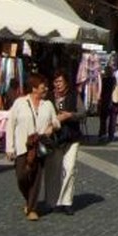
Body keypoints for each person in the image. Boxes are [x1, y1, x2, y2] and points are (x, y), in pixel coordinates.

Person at [5, 73, 59, 221]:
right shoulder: (19, 103)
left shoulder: (47, 104)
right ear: (34, 88)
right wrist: (9, 147)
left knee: (36, 178)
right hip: (23, 146)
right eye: (43, 87)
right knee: (21, 177)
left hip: (39, 146)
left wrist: (52, 126)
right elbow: (10, 125)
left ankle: (31, 209)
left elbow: (56, 121)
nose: (45, 89)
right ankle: (30, 200)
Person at [43, 71, 85, 215]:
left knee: (69, 169)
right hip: (54, 139)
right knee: (52, 170)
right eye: (55, 82)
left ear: (66, 82)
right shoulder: (48, 97)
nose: (58, 84)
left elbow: (82, 113)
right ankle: (51, 201)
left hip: (71, 137)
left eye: (60, 81)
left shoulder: (74, 95)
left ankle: (66, 202)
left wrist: (69, 115)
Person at [98, 58, 118, 143]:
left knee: (103, 118)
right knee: (113, 119)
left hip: (104, 100)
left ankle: (102, 133)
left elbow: (100, 90)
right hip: (113, 100)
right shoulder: (114, 80)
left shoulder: (103, 80)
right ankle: (111, 134)